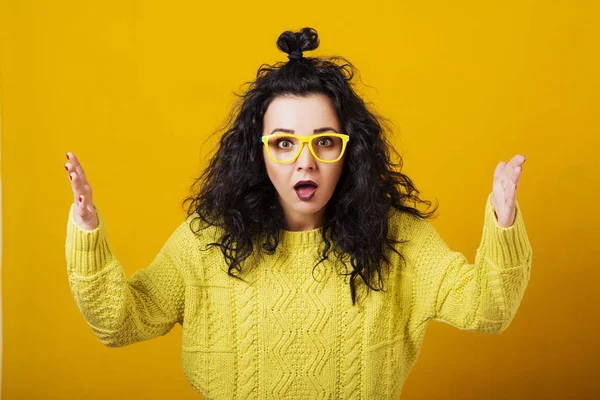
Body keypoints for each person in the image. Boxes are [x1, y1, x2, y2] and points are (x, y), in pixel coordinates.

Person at [64, 27, 532, 399]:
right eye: (283, 142)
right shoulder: (207, 238)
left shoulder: (398, 239)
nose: (304, 161)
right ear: (258, 152)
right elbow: (120, 322)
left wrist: (503, 220)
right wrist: (87, 231)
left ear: (351, 151)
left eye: (324, 141)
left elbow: (486, 309)